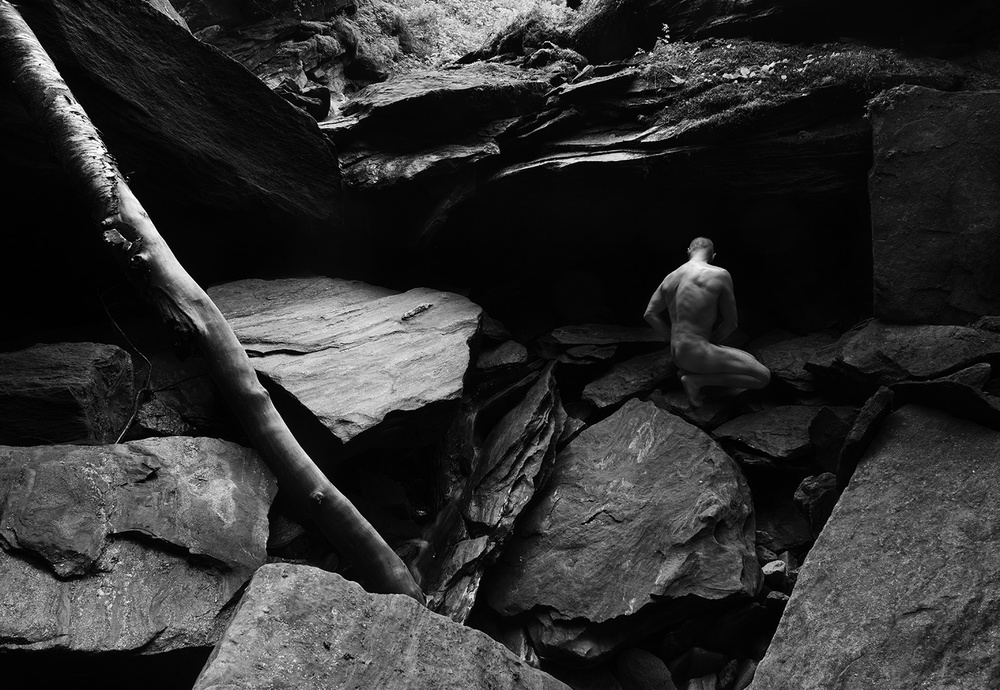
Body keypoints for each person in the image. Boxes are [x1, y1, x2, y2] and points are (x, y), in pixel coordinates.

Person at [644, 237, 770, 407]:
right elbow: (731, 323)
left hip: (677, 354)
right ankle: (696, 381)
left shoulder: (671, 277)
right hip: (696, 353)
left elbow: (649, 314)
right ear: (713, 256)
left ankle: (691, 371)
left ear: (688, 251)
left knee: (749, 358)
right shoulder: (720, 274)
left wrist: (672, 339)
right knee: (763, 376)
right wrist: (709, 343)